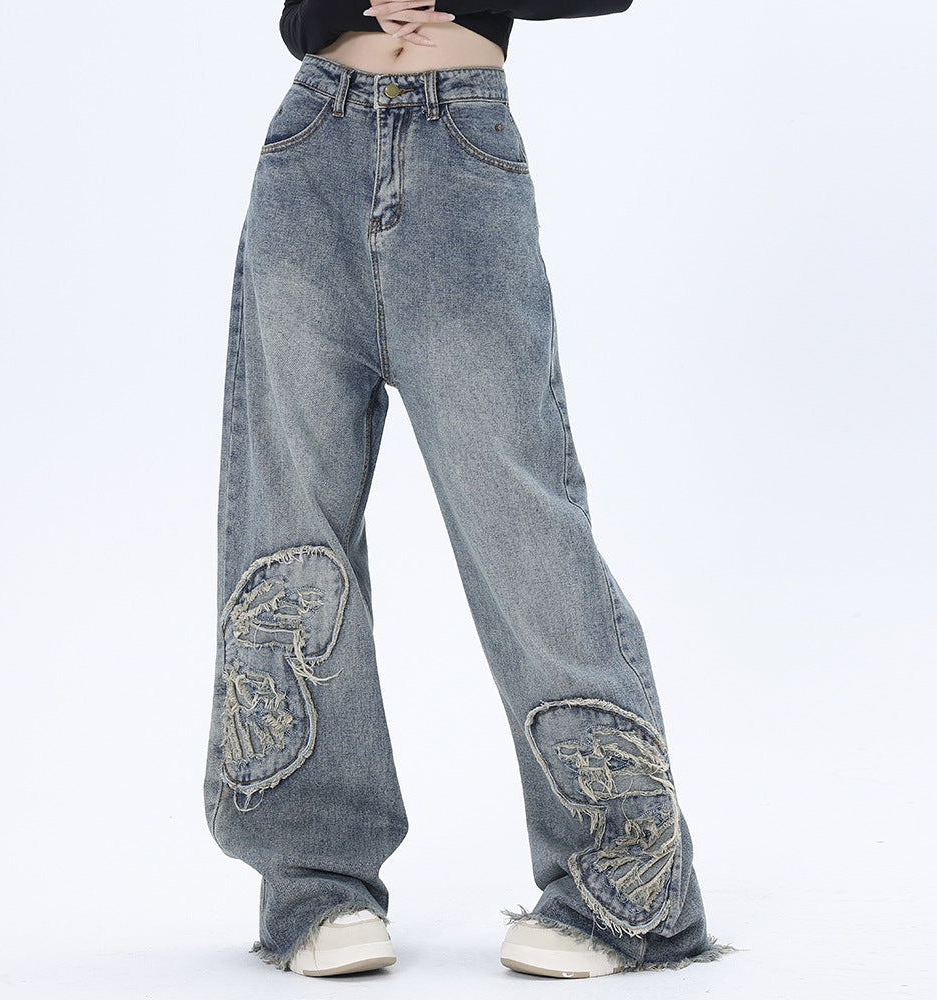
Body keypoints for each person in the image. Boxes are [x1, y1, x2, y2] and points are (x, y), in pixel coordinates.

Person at [203, 0, 732, 979]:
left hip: (463, 151)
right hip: (311, 140)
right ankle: (311, 883)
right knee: (290, 527)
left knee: (523, 523)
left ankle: (625, 887)